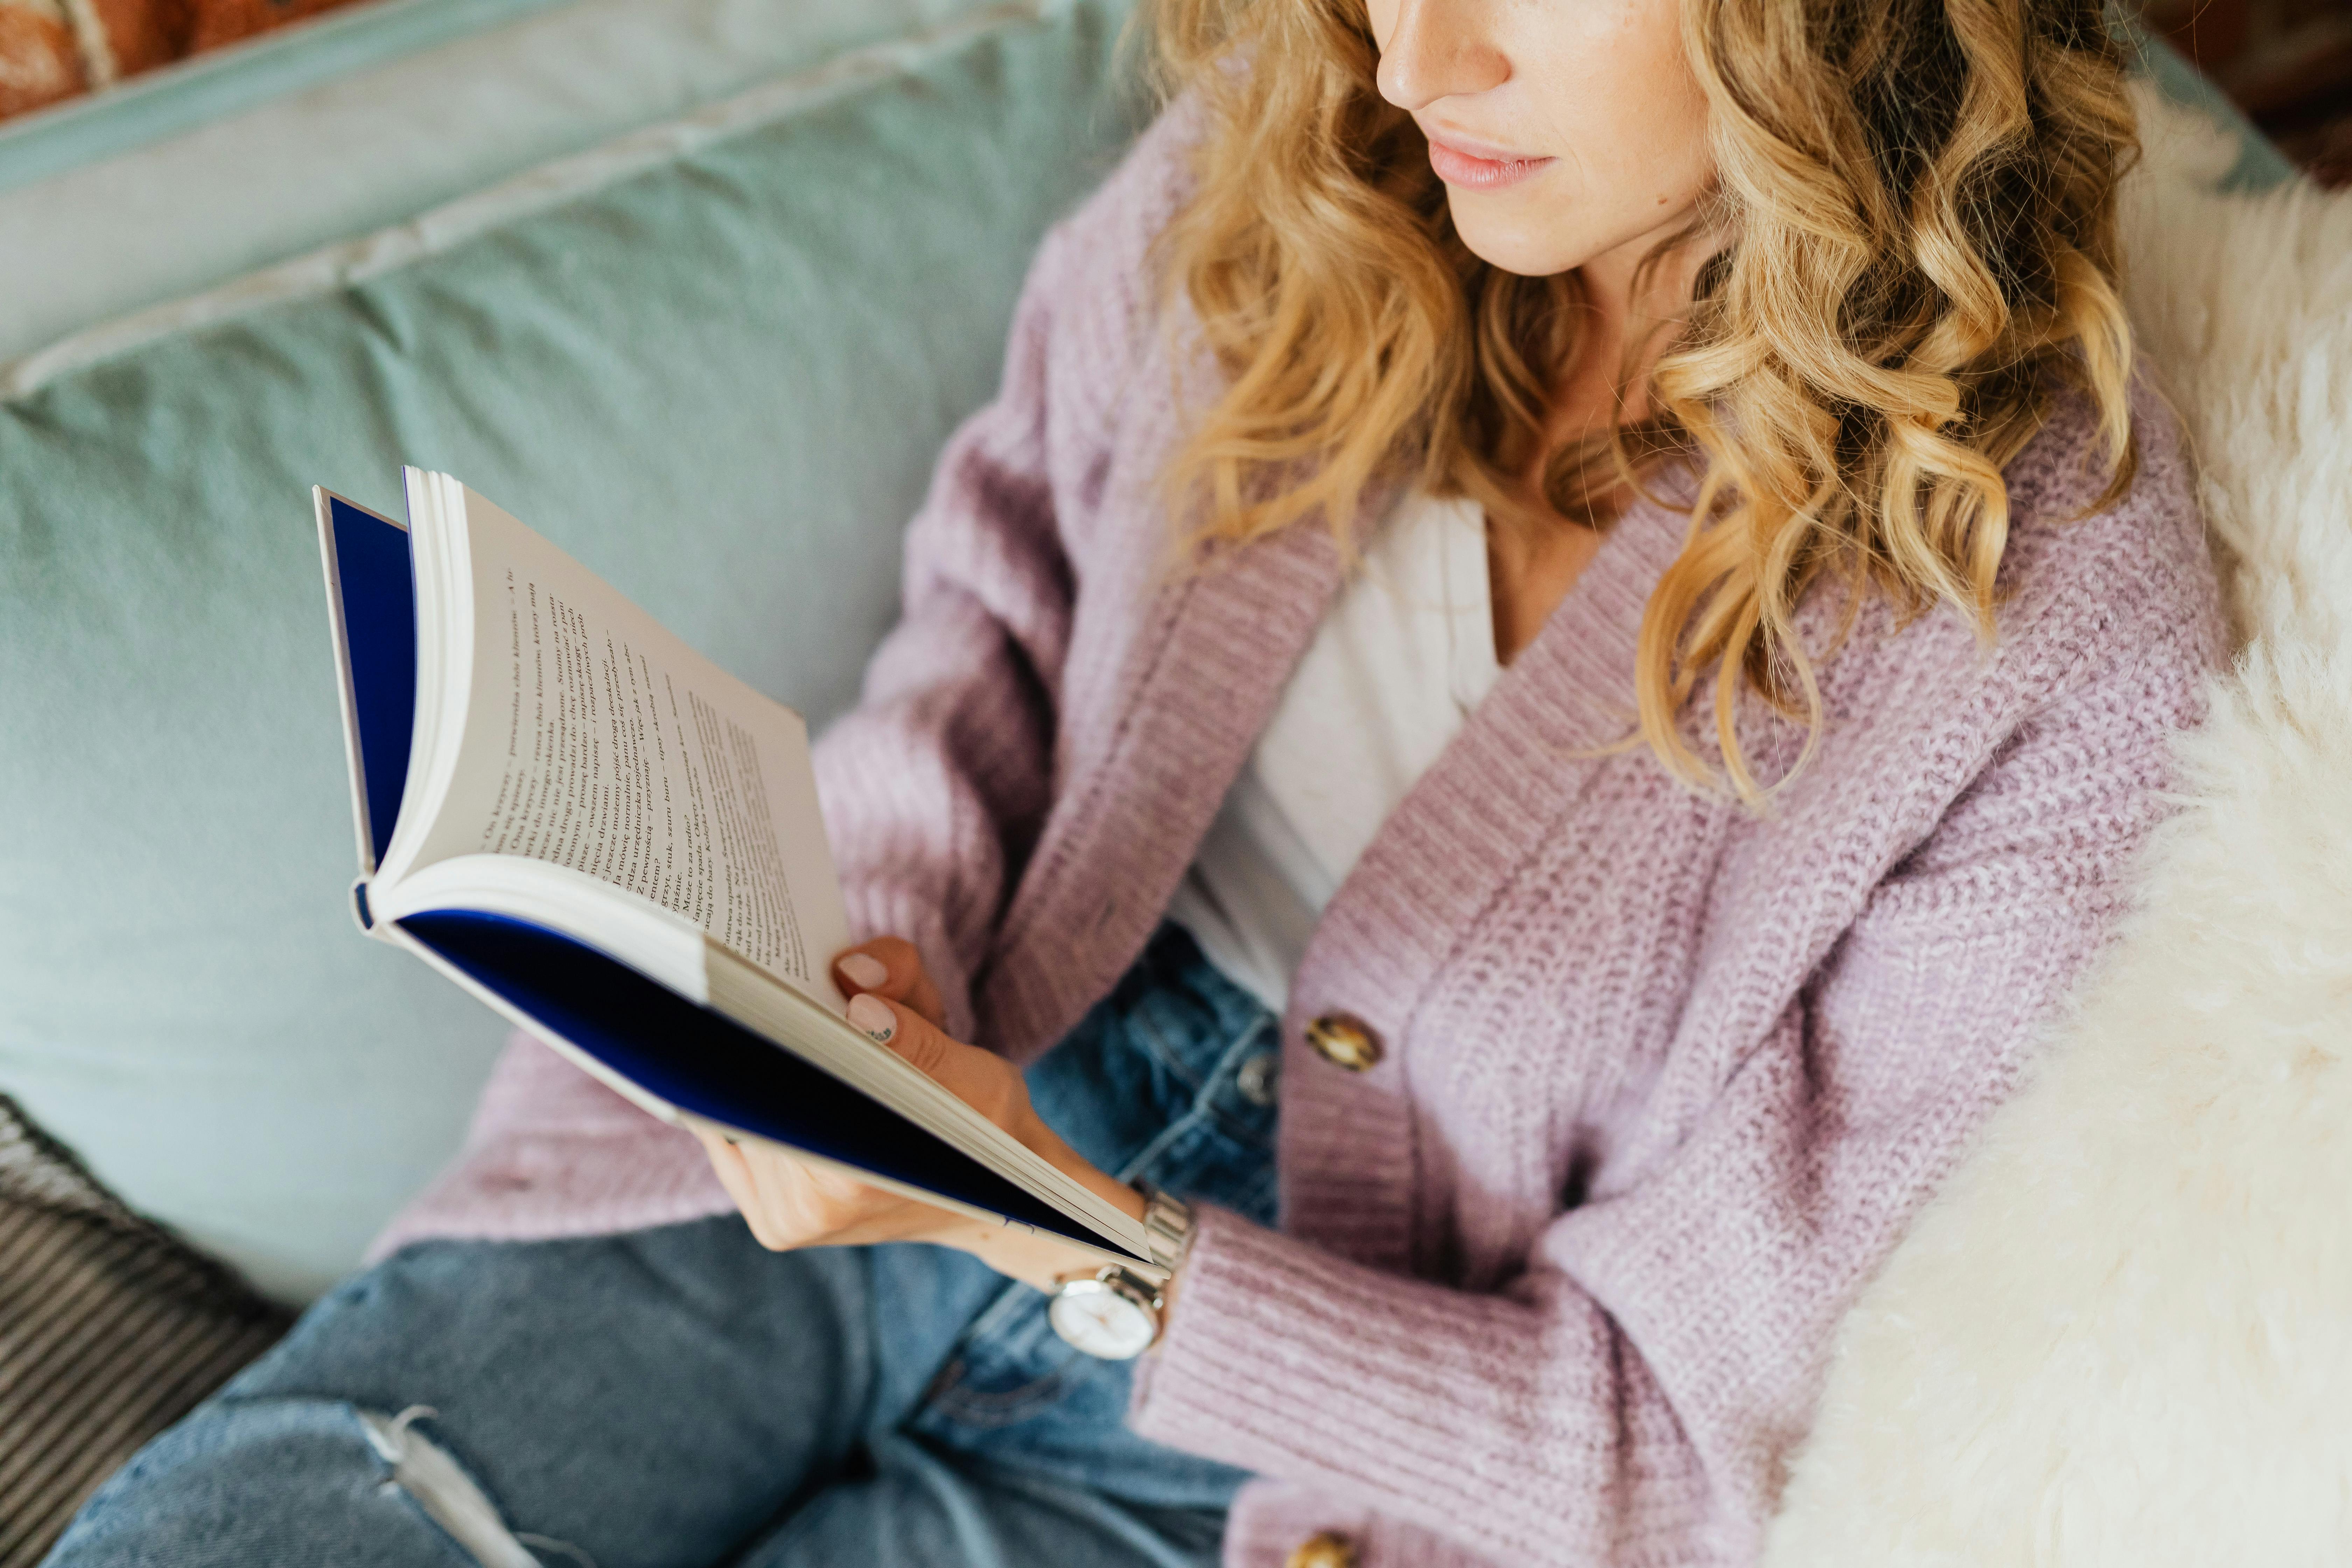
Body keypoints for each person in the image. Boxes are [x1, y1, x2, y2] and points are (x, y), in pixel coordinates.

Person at [48, 0, 2221, 1564]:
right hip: (891, 1113)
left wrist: (1084, 1237)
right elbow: (986, 617)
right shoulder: (1283, 189)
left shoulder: (2047, 620)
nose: (1409, 57)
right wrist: (869, 962)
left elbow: (1666, 1440)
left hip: (1294, 1436)